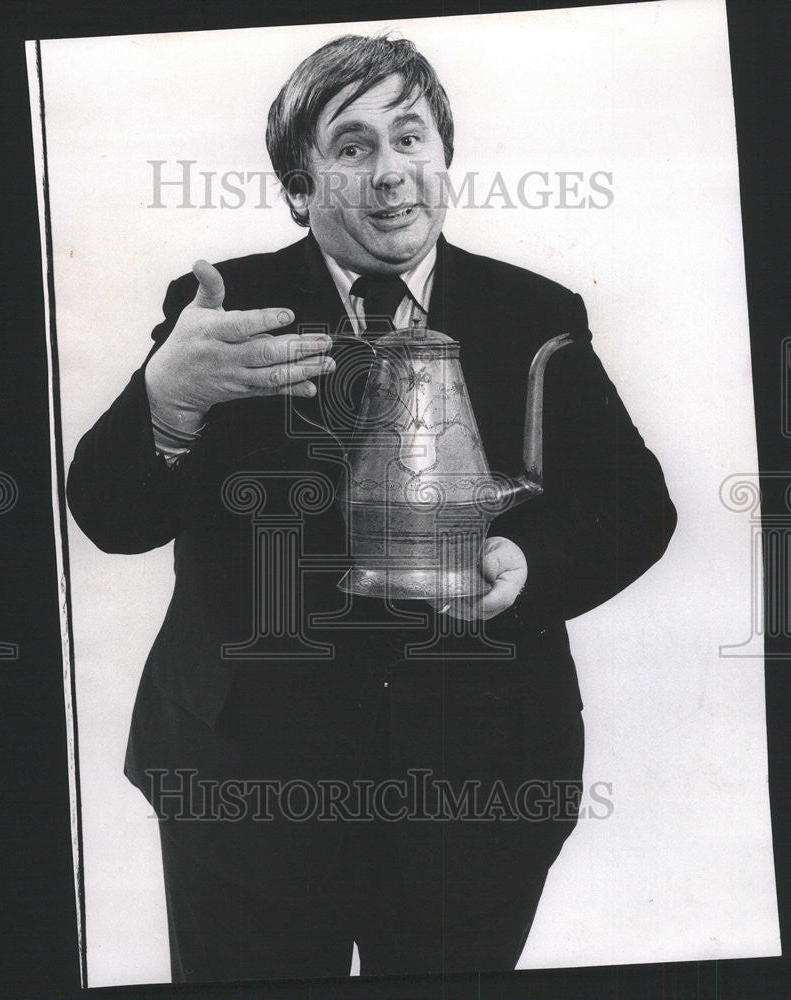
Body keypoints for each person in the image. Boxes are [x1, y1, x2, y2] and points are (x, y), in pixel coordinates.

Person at [67, 33, 677, 982]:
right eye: (351, 147)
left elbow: (635, 505)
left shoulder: (531, 311)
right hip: (246, 794)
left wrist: (529, 564)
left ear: (443, 157)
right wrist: (168, 397)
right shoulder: (227, 311)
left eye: (409, 138)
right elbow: (112, 519)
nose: (390, 174)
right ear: (300, 186)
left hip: (477, 793)